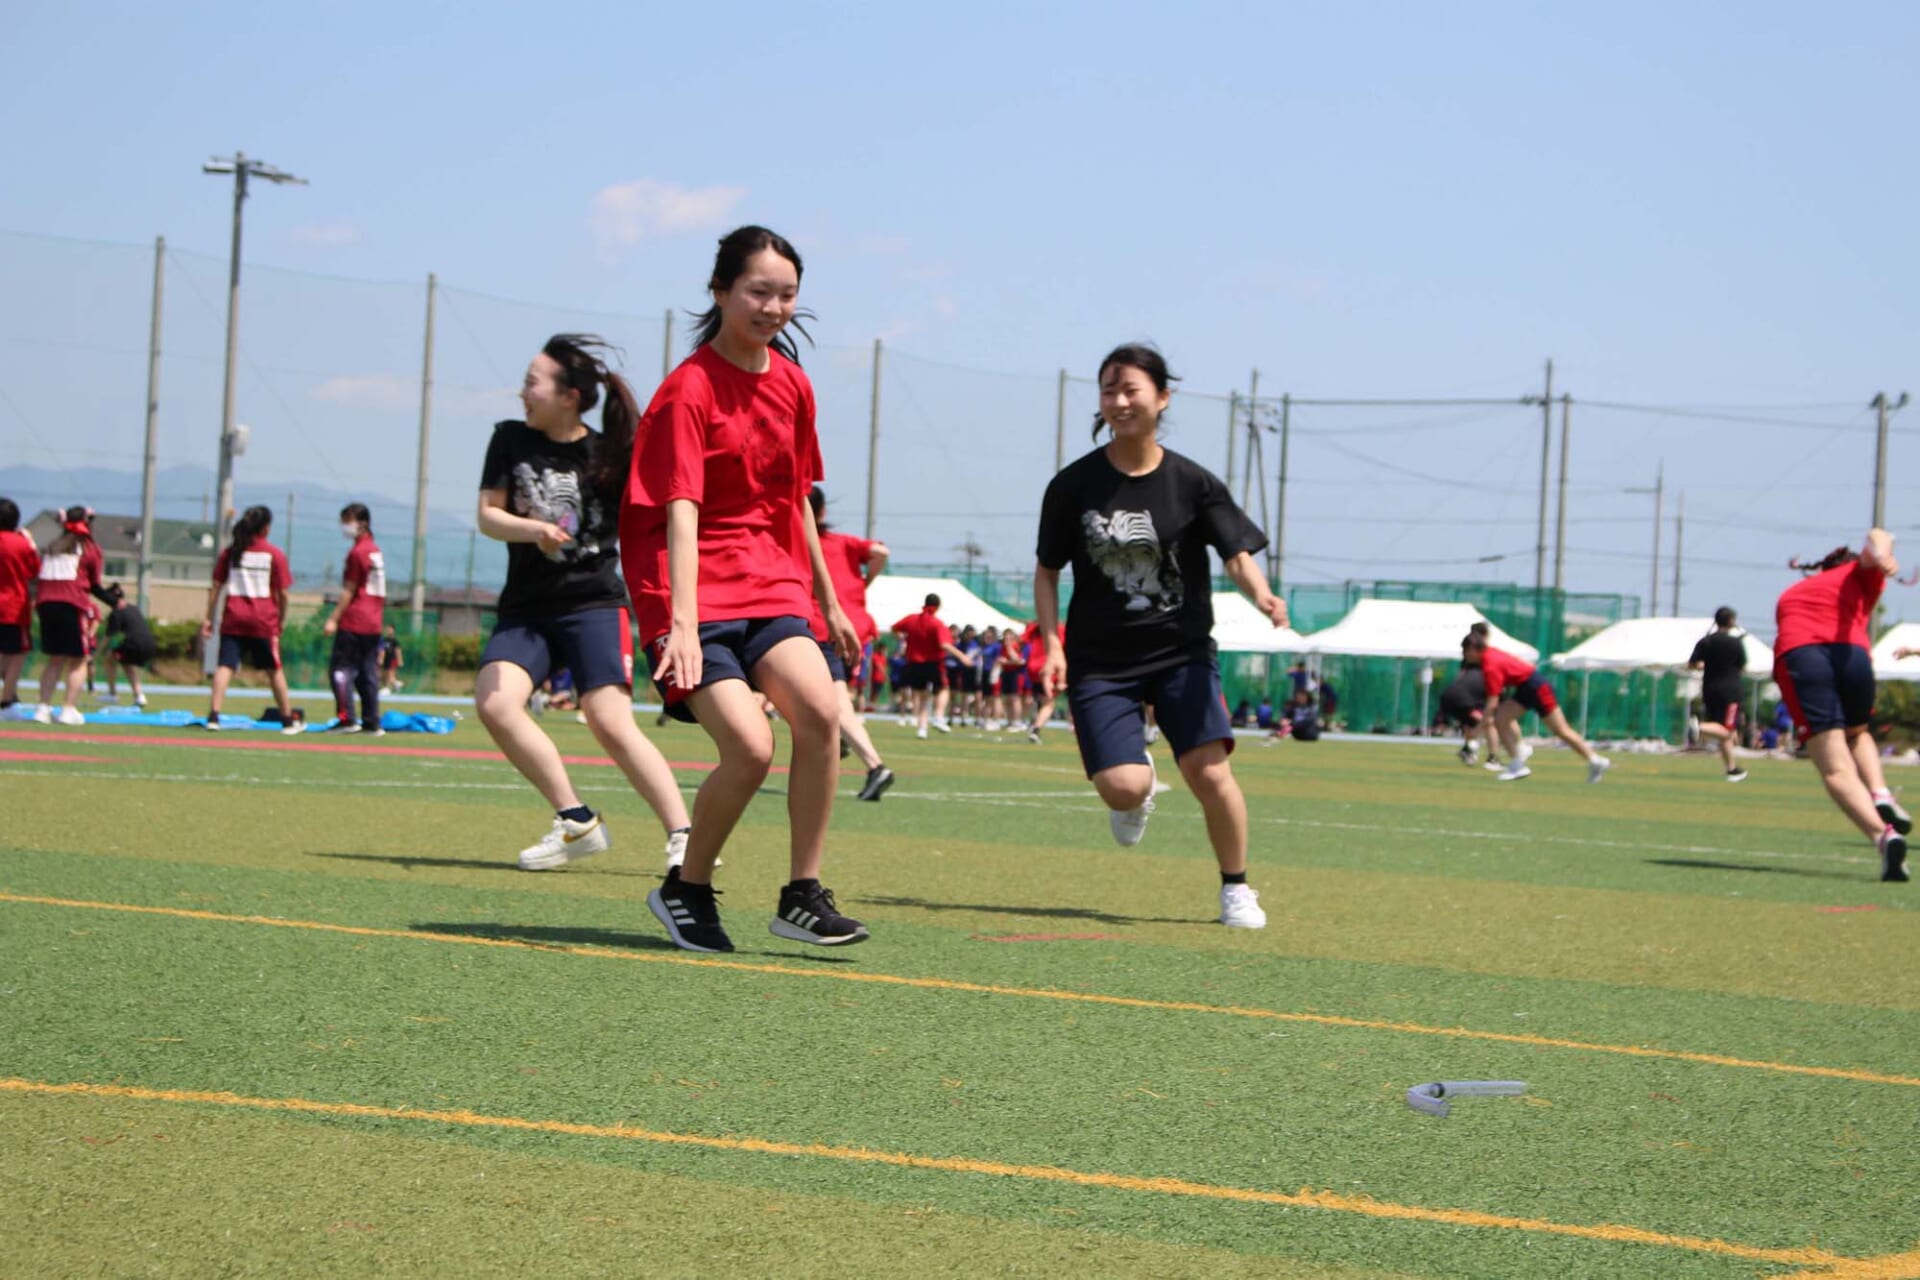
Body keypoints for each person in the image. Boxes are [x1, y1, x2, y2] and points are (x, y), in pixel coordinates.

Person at [623, 225, 869, 953]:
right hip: (690, 592)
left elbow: (796, 500)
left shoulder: (793, 384)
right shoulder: (688, 390)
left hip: (772, 582)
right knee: (751, 748)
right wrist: (683, 624)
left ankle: (802, 894)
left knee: (821, 712)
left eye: (787, 294)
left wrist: (828, 601)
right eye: (759, 291)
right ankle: (687, 887)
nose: (774, 307)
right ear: (721, 290)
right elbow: (680, 507)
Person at [1035, 343, 1283, 929]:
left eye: (1132, 390)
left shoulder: (1192, 483)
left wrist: (1263, 594)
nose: (1119, 402)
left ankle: (1236, 888)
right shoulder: (1072, 486)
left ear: (1162, 398)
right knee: (1122, 787)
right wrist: (1052, 645)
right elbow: (1046, 571)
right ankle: (1139, 788)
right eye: (1109, 391)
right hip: (1100, 660)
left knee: (1210, 772)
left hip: (1181, 653)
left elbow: (1236, 553)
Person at [474, 333, 693, 876]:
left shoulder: (612, 455)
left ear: (569, 396)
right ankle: (576, 821)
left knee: (609, 720)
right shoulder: (508, 438)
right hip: (526, 609)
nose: (522, 392)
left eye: (532, 382)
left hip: (594, 604)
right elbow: (488, 515)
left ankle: (684, 835)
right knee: (496, 703)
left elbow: (658, 520)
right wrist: (534, 530)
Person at [1774, 532, 1909, 882]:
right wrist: (1883, 557)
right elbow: (1879, 535)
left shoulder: (1799, 590)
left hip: (1804, 654)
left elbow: (1877, 537)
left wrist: (1881, 555)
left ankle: (1884, 837)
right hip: (1853, 657)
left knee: (1835, 767)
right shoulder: (1861, 576)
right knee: (1858, 731)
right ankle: (1880, 792)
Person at [806, 485, 894, 801]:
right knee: (830, 698)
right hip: (854, 628)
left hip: (822, 629)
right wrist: (865, 582)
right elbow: (881, 552)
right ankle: (839, 738)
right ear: (823, 511)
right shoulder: (842, 542)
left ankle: (875, 765)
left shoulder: (797, 542)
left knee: (836, 703)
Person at [1461, 628, 1610, 782]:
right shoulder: (1490, 654)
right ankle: (1517, 762)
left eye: (1465, 651)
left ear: (1472, 649)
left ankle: (1596, 761)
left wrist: (1476, 731)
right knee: (1501, 718)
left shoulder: (1490, 665)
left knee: (1561, 730)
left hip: (1536, 687)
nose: (1464, 655)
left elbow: (1492, 703)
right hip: (1527, 686)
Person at [202, 505, 302, 734]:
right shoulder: (274, 554)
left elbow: (216, 587)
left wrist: (208, 618)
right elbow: (283, 593)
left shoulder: (231, 553)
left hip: (233, 617)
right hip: (263, 620)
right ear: (266, 528)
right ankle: (287, 720)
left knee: (225, 666)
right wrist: (281, 619)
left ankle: (214, 716)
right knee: (274, 669)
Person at [34, 505, 108, 726]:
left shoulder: (52, 547)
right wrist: (115, 602)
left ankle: (42, 708)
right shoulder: (89, 548)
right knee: (79, 659)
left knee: (55, 659)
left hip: (45, 605)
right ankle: (68, 709)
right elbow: (95, 584)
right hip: (72, 605)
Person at [322, 503, 387, 734]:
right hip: (373, 621)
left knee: (340, 670)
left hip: (355, 619)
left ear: (362, 523)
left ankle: (346, 718)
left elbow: (349, 590)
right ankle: (372, 721)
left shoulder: (358, 552)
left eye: (348, 521)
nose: (345, 526)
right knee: (367, 672)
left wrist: (333, 618)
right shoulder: (375, 550)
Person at [892, 594, 971, 740]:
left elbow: (895, 628)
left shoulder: (912, 619)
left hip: (914, 663)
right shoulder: (937, 624)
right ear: (938, 606)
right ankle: (938, 717)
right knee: (943, 689)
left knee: (923, 696)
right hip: (933, 663)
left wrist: (903, 639)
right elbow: (944, 644)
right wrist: (962, 656)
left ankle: (922, 729)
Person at [1688, 606, 1749, 782]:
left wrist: (1705, 665)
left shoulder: (1706, 641)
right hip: (1730, 691)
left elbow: (1692, 664)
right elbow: (1742, 666)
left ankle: (1731, 769)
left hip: (1710, 689)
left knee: (1721, 730)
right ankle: (1699, 727)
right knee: (1728, 731)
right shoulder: (1736, 643)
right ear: (1731, 621)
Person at [0, 498, 39, 709]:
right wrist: (30, 542)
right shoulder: (20, 543)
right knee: (17, 654)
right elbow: (35, 570)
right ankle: (7, 700)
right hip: (14, 607)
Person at [100, 585, 156, 707]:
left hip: (133, 644)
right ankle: (139, 696)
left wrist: (96, 653)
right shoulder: (133, 608)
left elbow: (108, 636)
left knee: (109, 659)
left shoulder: (116, 612)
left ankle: (112, 694)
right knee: (126, 663)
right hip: (151, 644)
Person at [379, 625, 404, 692]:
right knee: (383, 675)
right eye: (388, 629)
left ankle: (387, 688)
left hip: (392, 659)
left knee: (390, 674)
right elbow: (382, 650)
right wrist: (381, 658)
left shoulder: (395, 641)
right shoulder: (384, 640)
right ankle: (397, 684)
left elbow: (398, 651)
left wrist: (400, 660)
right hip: (385, 659)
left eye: (390, 629)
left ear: (393, 631)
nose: (388, 630)